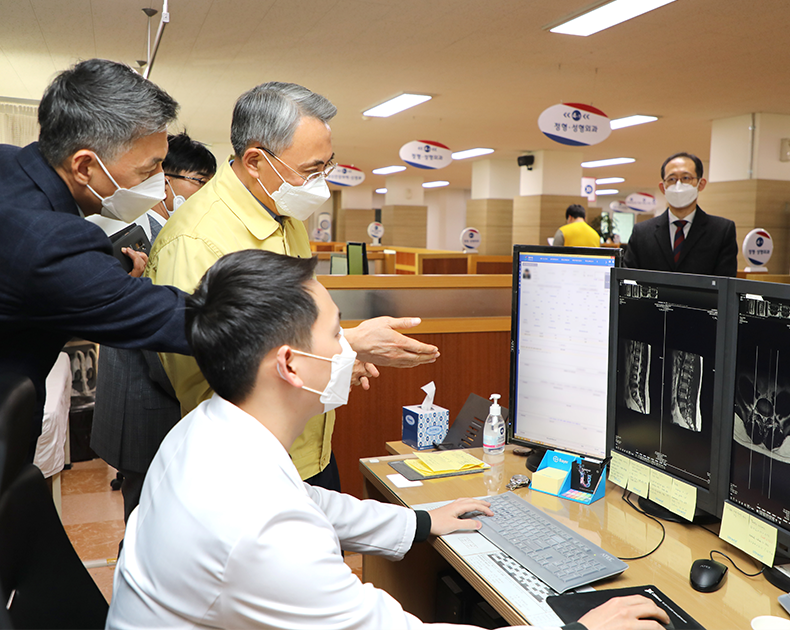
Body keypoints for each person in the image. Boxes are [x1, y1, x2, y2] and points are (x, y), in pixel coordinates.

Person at [107, 249, 669, 630]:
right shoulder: (257, 529)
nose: (350, 348)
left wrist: (422, 522)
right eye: (336, 333)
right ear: (290, 365)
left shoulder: (207, 430)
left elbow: (308, 503)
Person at [146, 81, 440, 491]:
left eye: (327, 166)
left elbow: (297, 325)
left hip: (308, 450)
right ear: (254, 161)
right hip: (248, 468)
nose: (322, 183)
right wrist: (348, 345)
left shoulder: (284, 215)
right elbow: (209, 371)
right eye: (311, 170)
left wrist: (336, 365)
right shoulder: (196, 240)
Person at [0, 58, 192, 457]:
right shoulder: (50, 242)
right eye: (149, 170)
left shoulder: (10, 162)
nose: (159, 185)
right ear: (85, 165)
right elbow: (168, 317)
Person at [90, 132, 217, 522]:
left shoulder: (167, 231)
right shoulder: (131, 234)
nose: (204, 193)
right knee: (146, 516)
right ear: (166, 180)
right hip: (144, 399)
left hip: (156, 394)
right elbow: (145, 330)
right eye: (199, 182)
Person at [623, 152, 738, 276]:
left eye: (686, 178)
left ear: (701, 184)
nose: (678, 185)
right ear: (663, 187)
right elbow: (628, 279)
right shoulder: (642, 233)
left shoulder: (721, 231)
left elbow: (726, 284)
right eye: (671, 179)